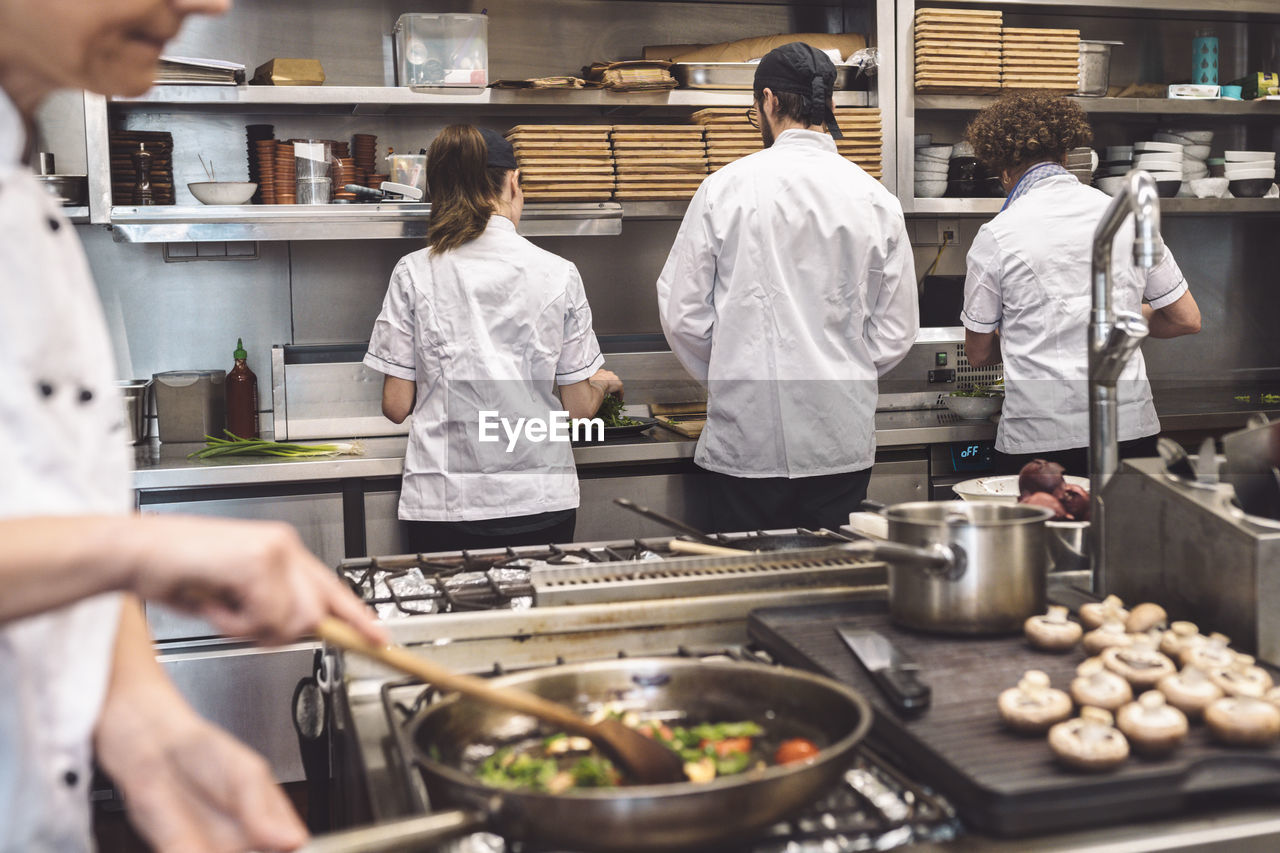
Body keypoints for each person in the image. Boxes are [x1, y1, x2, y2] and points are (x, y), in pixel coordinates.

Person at [0, 1, 387, 851]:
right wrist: (142, 552)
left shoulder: (25, 203)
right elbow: (95, 545)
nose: (209, 4)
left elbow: (47, 517)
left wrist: (143, 719)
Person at [656, 43, 918, 533]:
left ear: (768, 101)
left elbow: (683, 313)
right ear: (831, 108)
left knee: (749, 590)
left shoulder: (724, 189)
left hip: (747, 446)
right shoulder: (876, 200)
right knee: (833, 590)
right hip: (839, 442)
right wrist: (844, 367)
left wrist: (737, 366)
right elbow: (897, 332)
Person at [365, 125, 622, 553]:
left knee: (451, 619)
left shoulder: (413, 271)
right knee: (531, 616)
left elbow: (396, 407)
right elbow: (579, 412)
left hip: (445, 503)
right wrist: (602, 384)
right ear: (514, 182)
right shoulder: (558, 272)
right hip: (538, 499)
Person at [961, 90, 1202, 476]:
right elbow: (1185, 318)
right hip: (1129, 431)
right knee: (1125, 537)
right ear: (1063, 156)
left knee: (1046, 537)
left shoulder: (997, 235)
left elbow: (977, 353)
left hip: (1041, 442)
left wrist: (1034, 333)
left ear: (1005, 169)